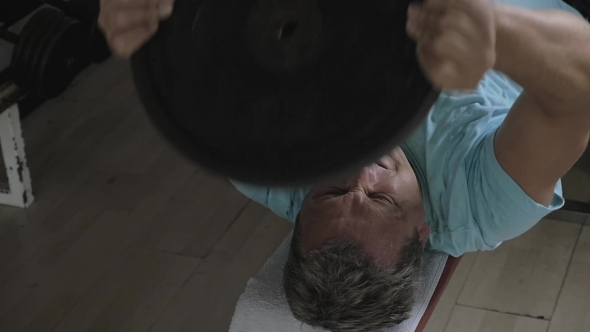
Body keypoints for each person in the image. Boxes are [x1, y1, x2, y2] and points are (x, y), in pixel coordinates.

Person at [99, 0, 590, 331]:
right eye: (382, 198)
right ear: (423, 233)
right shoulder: (482, 205)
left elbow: (215, 37)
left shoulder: (264, 164)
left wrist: (154, 17)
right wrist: (496, 33)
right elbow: (580, 83)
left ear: (296, 211)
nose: (362, 173)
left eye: (330, 192)